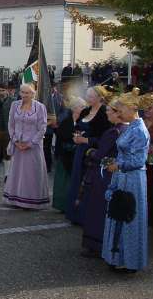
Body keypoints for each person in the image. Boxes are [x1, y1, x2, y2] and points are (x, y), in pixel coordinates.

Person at [102, 89, 150, 273]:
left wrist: (118, 165)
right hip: (123, 176)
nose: (119, 111)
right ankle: (117, 256)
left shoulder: (139, 130)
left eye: (121, 108)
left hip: (132, 179)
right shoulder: (132, 126)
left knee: (128, 215)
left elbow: (139, 161)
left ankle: (129, 260)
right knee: (118, 212)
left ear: (132, 108)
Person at [79, 102, 125, 257]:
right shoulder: (124, 129)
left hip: (104, 174)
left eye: (109, 112)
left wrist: (90, 152)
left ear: (118, 113)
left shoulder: (114, 132)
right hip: (114, 173)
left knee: (98, 209)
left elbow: (101, 154)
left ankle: (98, 245)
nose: (107, 114)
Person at [66, 86, 112, 225]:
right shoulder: (86, 110)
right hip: (80, 151)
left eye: (91, 96)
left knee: (88, 182)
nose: (88, 99)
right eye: (87, 96)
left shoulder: (104, 113)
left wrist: (86, 140)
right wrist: (76, 135)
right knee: (77, 179)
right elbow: (77, 127)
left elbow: (105, 137)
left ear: (100, 98)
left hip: (92, 153)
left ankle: (86, 215)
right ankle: (75, 213)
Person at [2, 84, 50, 209]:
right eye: (22, 92)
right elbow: (11, 124)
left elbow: (42, 128)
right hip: (18, 145)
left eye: (27, 93)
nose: (24, 95)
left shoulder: (40, 107)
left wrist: (31, 143)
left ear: (33, 94)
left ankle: (32, 201)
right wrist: (15, 140)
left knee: (31, 173)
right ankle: (15, 199)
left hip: (33, 147)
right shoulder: (15, 105)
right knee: (17, 172)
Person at [53, 97, 86, 212]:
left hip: (79, 155)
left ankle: (75, 204)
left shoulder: (85, 121)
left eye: (84, 106)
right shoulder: (66, 121)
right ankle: (63, 205)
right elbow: (60, 137)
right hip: (65, 154)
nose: (83, 108)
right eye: (81, 106)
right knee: (63, 181)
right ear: (74, 108)